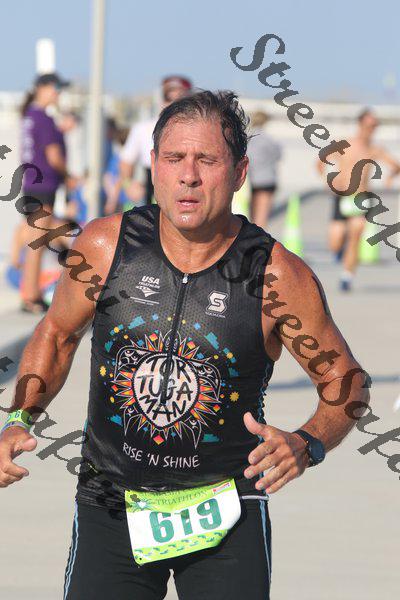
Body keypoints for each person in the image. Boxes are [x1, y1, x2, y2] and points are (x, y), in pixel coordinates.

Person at [0, 92, 368, 600]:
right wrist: (19, 418)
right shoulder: (105, 248)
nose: (188, 176)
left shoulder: (277, 276)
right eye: (174, 158)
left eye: (207, 160)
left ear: (239, 173)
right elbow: (56, 336)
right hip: (112, 502)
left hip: (227, 510)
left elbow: (346, 380)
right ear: (154, 165)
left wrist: (308, 442)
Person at [317, 108, 400, 291]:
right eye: (369, 125)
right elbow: (321, 160)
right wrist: (326, 180)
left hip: (362, 198)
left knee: (355, 237)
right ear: (360, 124)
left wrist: (390, 177)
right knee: (335, 241)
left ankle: (347, 276)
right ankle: (339, 251)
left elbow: (396, 165)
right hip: (341, 197)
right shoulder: (345, 143)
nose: (372, 129)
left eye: (375, 126)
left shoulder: (375, 149)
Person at [17, 72, 76, 312]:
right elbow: (53, 156)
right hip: (43, 186)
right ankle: (31, 296)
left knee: (36, 242)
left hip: (32, 184)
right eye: (56, 89)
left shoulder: (30, 116)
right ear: (42, 89)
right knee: (37, 244)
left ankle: (31, 294)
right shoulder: (43, 118)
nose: (58, 94)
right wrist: (69, 176)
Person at [104, 75, 192, 215]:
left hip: (186, 193)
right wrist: (128, 185)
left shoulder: (198, 132)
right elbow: (125, 162)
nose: (174, 103)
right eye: (168, 97)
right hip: (148, 196)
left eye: (180, 98)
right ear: (161, 99)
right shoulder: (142, 129)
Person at [247, 111, 281, 228]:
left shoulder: (247, 138)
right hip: (267, 179)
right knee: (261, 217)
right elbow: (278, 155)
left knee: (250, 215)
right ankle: (257, 238)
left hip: (249, 179)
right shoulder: (269, 139)